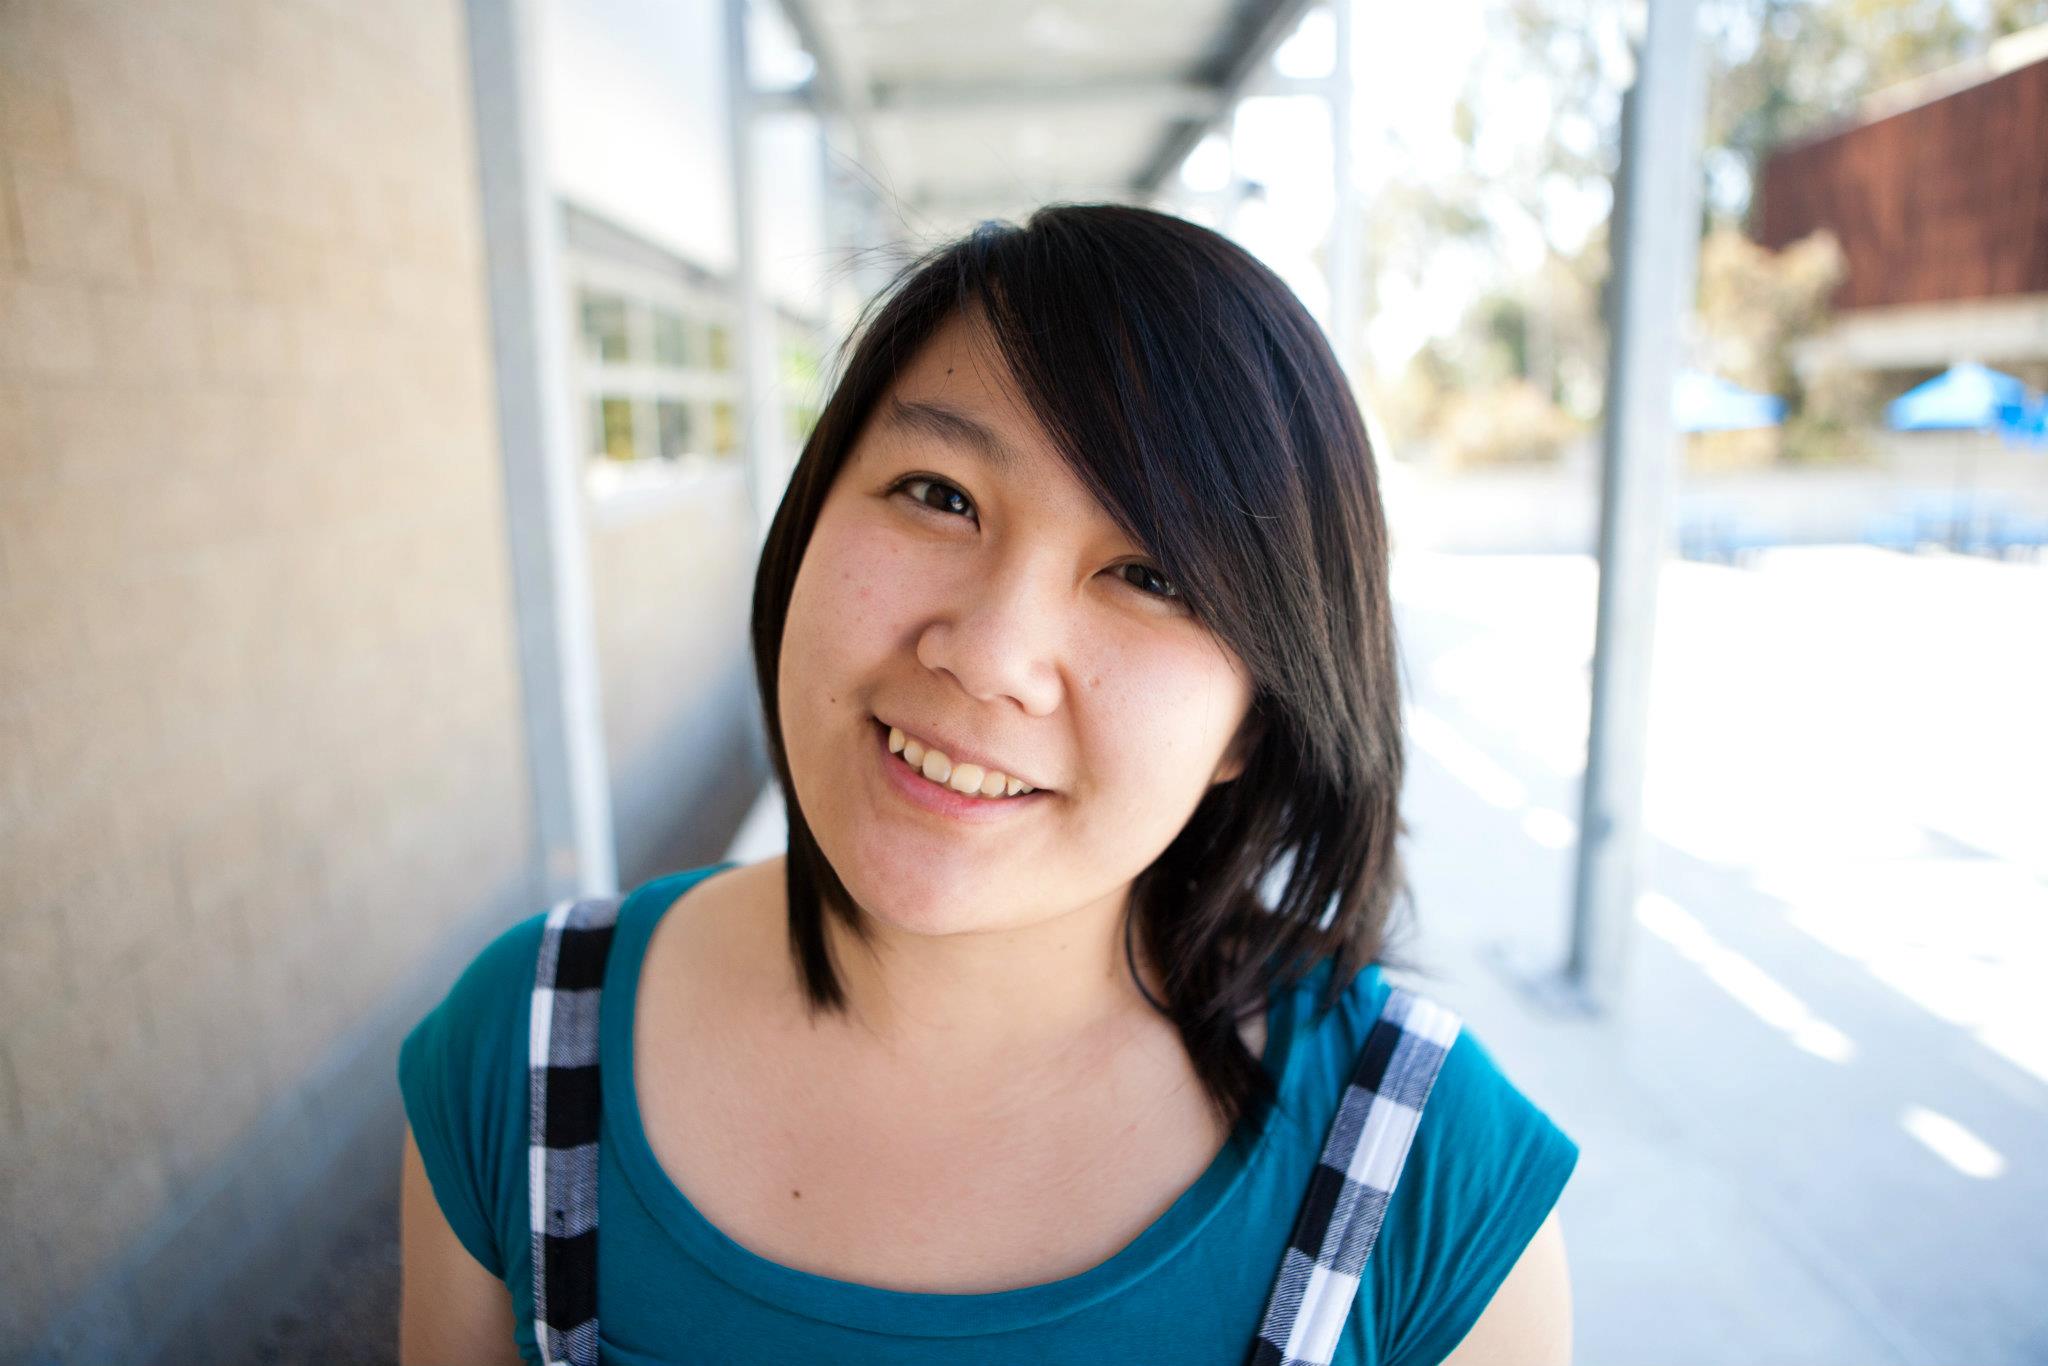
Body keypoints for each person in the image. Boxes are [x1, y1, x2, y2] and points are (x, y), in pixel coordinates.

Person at [397, 204, 1578, 1365]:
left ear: (1251, 721)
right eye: (939, 494)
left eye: (1151, 575)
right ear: (809, 518)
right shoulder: (524, 1048)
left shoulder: (1422, 1179)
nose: (989, 654)